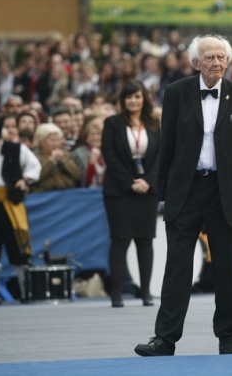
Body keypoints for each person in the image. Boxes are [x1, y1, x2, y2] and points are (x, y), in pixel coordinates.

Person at [135, 34, 232, 357]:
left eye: (221, 57)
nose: (216, 62)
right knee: (177, 267)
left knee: (229, 269)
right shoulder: (176, 93)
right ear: (195, 63)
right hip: (186, 191)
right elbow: (167, 147)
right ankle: (164, 339)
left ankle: (230, 339)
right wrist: (164, 194)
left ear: (228, 61)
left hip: (226, 193)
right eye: (209, 58)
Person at [102, 81, 161, 308]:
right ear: (122, 101)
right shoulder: (112, 123)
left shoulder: (154, 123)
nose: (133, 101)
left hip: (147, 190)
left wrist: (147, 181)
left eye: (137, 96)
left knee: (145, 240)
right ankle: (116, 294)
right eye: (128, 97)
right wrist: (130, 182)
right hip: (119, 191)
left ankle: (145, 292)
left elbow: (161, 156)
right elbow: (110, 155)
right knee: (120, 239)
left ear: (144, 98)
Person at [0, 120, 41, 300]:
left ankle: (26, 290)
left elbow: (35, 166)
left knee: (18, 248)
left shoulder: (15, 149)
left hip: (12, 204)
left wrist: (25, 180)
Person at [31, 123, 81, 193]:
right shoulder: (34, 157)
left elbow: (77, 175)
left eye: (58, 140)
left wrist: (63, 162)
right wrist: (51, 161)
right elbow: (35, 177)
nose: (56, 143)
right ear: (41, 143)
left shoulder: (66, 155)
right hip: (45, 196)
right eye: (52, 140)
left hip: (68, 194)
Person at [71, 116, 106, 188]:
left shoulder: (109, 152)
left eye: (99, 134)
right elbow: (79, 180)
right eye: (92, 134)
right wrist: (91, 164)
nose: (95, 137)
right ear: (87, 138)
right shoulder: (78, 154)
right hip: (87, 193)